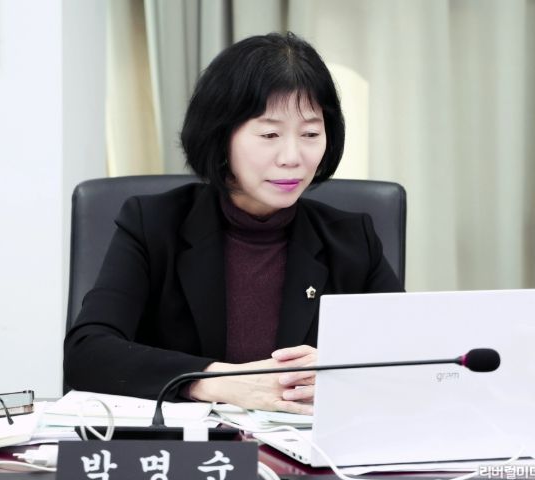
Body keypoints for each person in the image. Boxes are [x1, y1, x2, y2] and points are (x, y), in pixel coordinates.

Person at [64, 32, 403, 415]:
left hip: (305, 445)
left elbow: (413, 357)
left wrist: (339, 368)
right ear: (221, 134)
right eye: (270, 134)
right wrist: (220, 381)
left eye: (310, 134)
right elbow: (86, 354)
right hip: (188, 446)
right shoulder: (152, 224)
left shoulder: (352, 239)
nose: (292, 157)